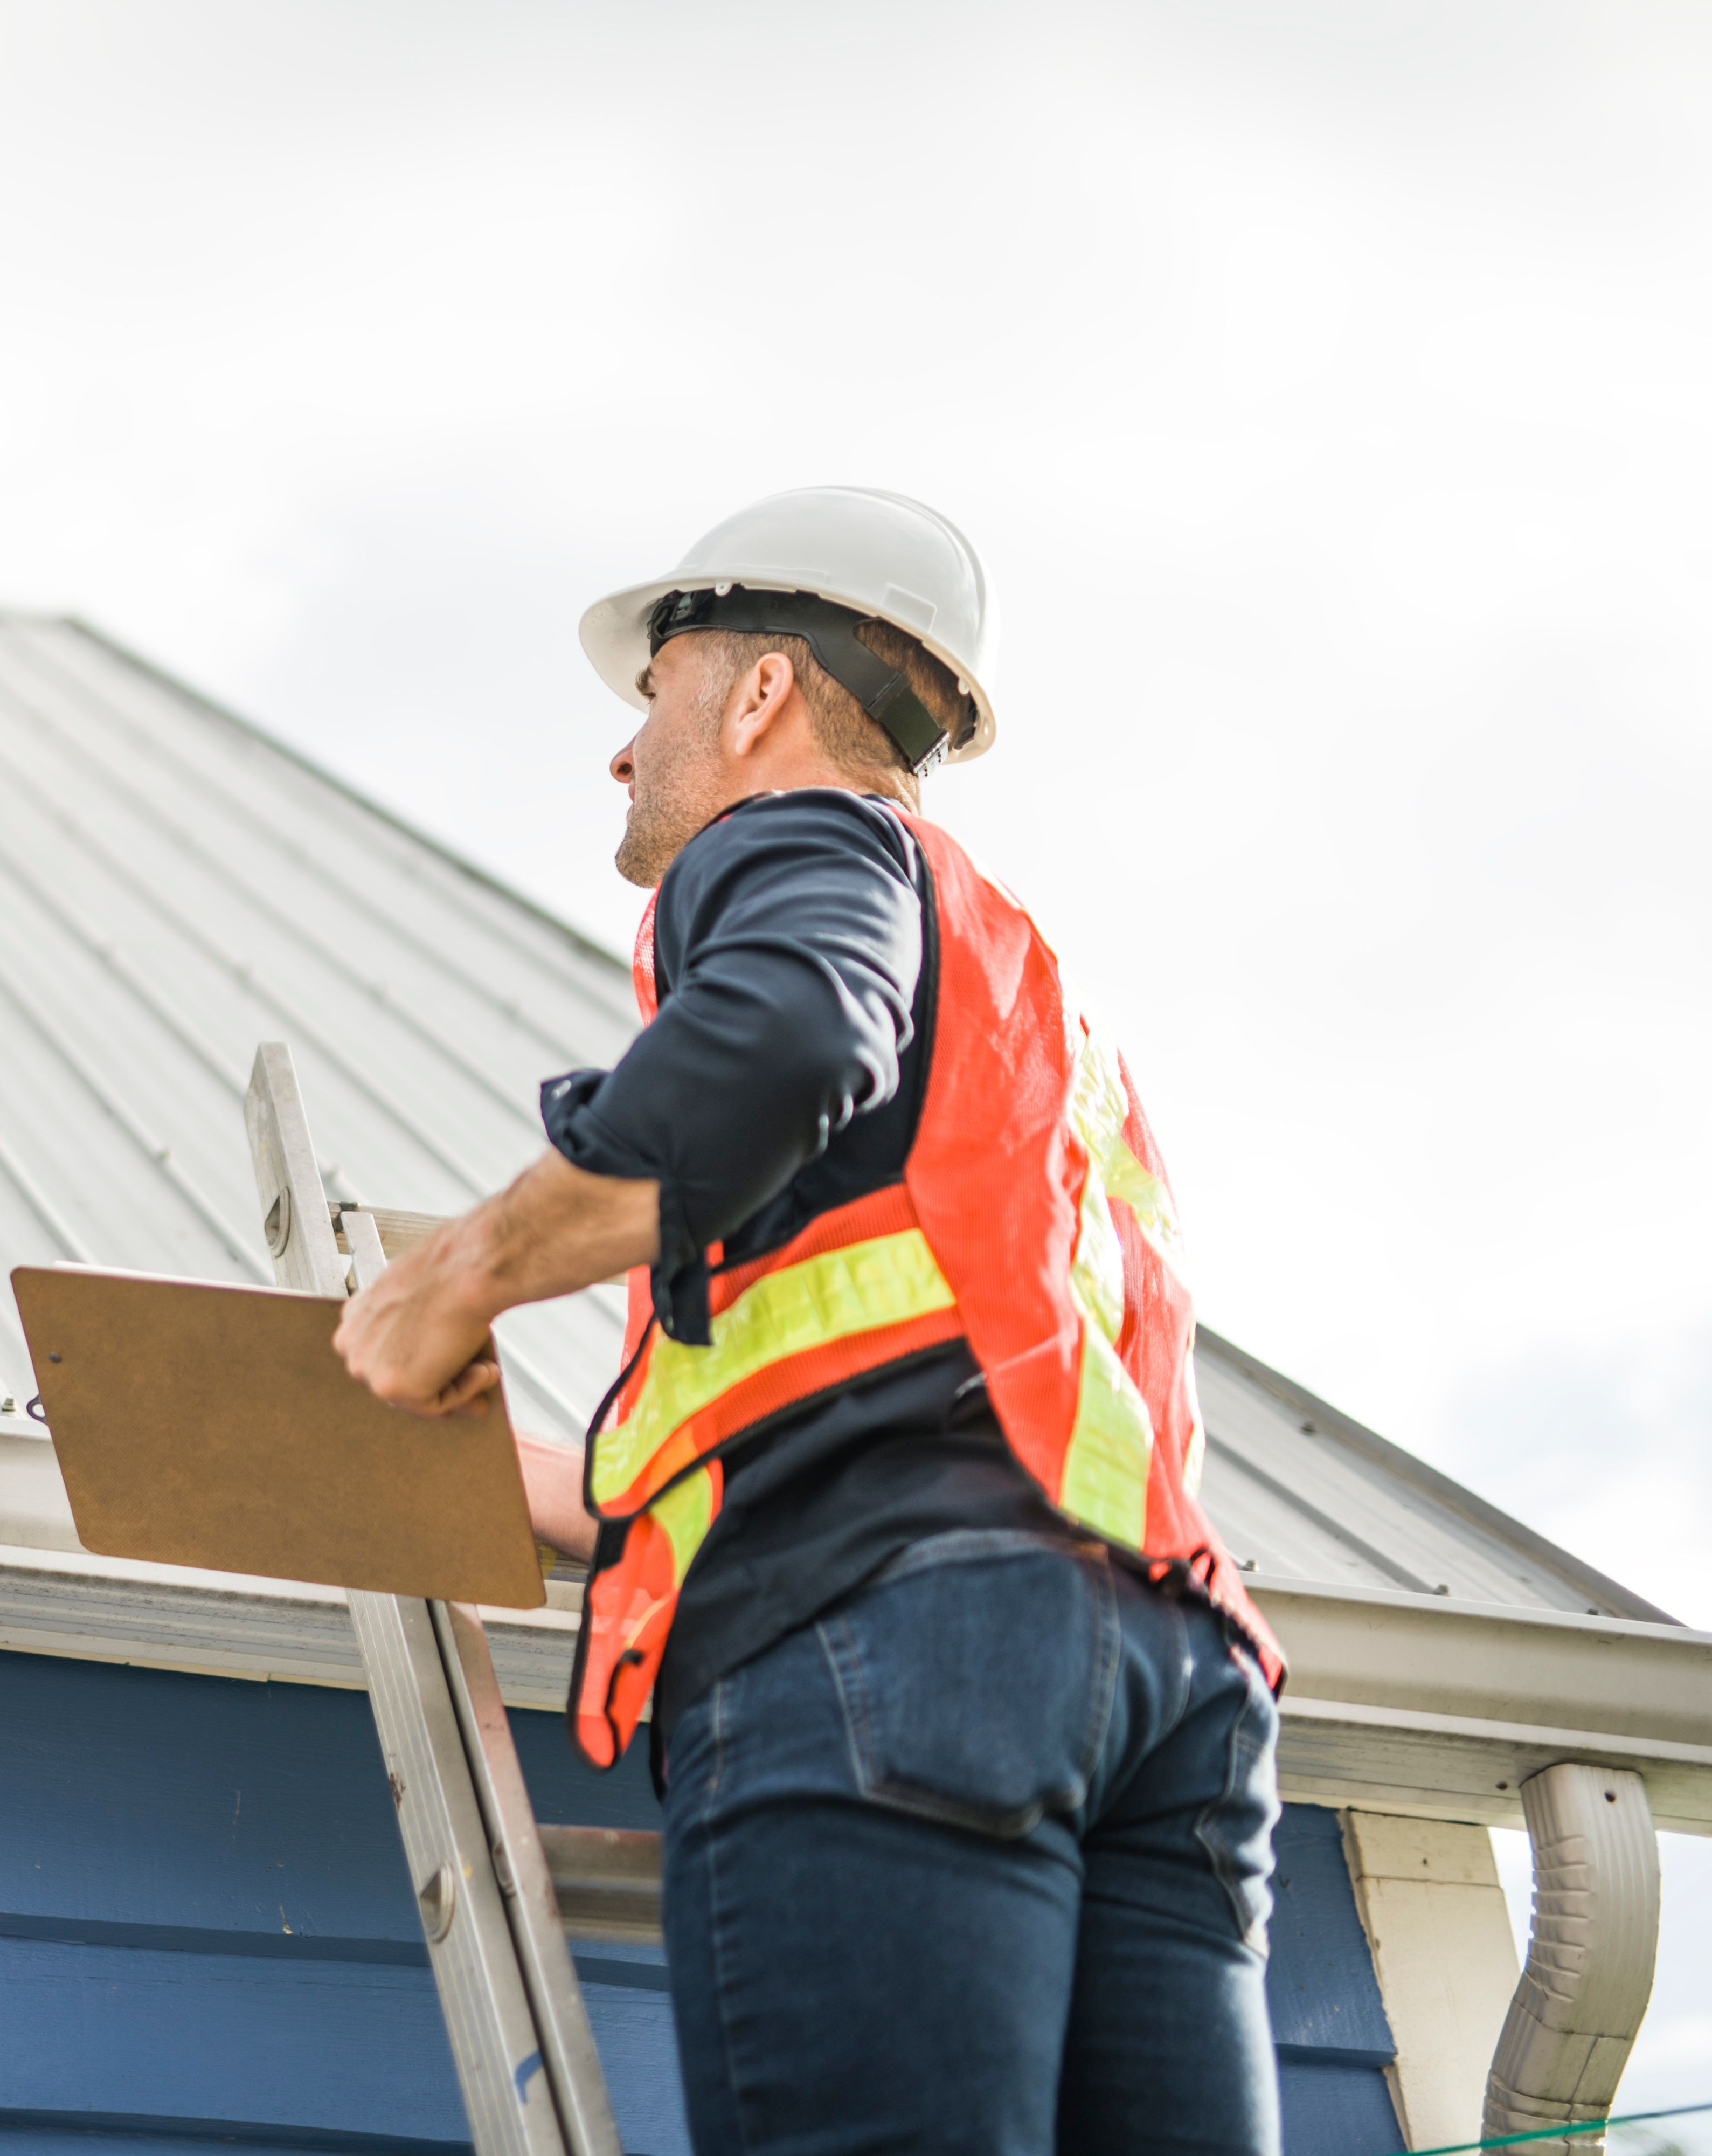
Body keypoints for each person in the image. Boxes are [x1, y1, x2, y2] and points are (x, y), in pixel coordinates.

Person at [333, 488, 1290, 2156]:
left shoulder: (800, 841)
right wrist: (561, 1483)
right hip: (1163, 1689)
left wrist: (456, 1278)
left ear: (760, 694)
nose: (623, 757)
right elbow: (890, 1387)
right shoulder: (1016, 995)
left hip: (902, 1654)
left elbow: (775, 1045)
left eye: (651, 695)